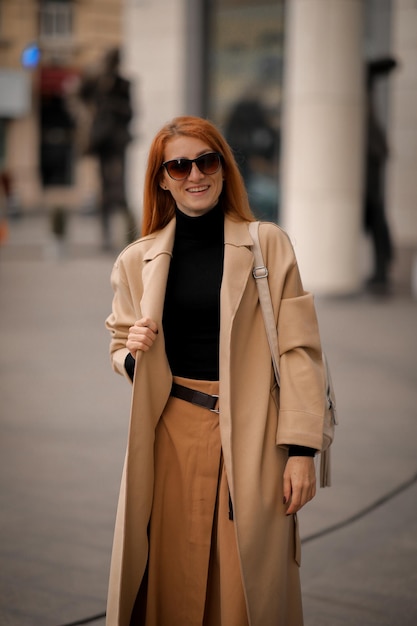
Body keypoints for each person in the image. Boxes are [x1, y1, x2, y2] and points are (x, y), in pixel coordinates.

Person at [105, 116, 326, 626]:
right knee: (170, 579)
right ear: (162, 179)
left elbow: (301, 352)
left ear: (224, 169)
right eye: (178, 166)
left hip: (255, 435)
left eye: (206, 161)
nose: (194, 175)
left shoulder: (267, 244)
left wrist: (301, 451)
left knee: (246, 587)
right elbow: (120, 346)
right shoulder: (136, 261)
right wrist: (133, 355)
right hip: (170, 433)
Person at [77, 48, 135, 250]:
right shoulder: (97, 83)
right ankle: (106, 235)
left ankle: (129, 233)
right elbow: (79, 93)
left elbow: (131, 112)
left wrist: (113, 106)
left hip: (118, 140)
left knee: (120, 188)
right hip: (102, 140)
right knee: (104, 189)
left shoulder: (123, 84)